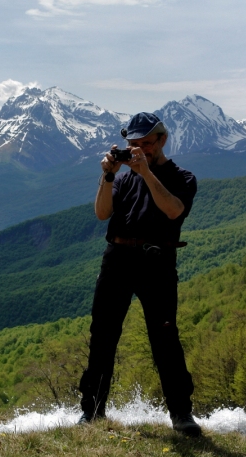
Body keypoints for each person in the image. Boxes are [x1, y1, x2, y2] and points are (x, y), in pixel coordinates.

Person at [77, 112, 201, 437]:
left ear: (162, 140)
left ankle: (181, 415)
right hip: (117, 257)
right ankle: (92, 412)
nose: (140, 149)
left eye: (147, 143)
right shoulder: (123, 176)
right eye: (134, 144)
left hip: (156, 261)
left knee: (165, 339)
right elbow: (102, 213)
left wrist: (145, 172)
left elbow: (174, 210)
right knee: (102, 336)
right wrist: (107, 176)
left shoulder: (182, 177)